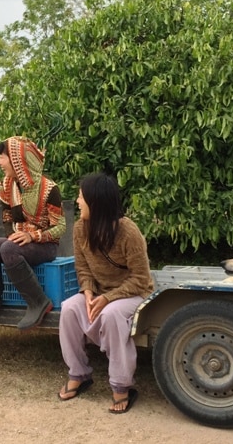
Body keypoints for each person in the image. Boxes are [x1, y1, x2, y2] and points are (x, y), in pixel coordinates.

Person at [57, 172, 153, 414]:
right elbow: (83, 267)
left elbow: (141, 279)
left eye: (81, 197)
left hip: (133, 294)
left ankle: (122, 386)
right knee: (69, 308)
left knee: (111, 315)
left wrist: (108, 298)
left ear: (96, 202)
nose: (77, 202)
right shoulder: (80, 228)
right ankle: (78, 373)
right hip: (99, 292)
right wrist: (88, 291)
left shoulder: (128, 231)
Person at [0, 136, 66, 331]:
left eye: (2, 157)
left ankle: (38, 302)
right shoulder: (8, 184)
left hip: (46, 245)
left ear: (18, 160)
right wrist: (11, 235)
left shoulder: (49, 189)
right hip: (20, 242)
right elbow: (7, 215)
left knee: (8, 249)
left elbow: (59, 227)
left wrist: (32, 236)